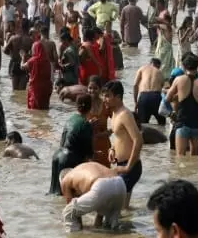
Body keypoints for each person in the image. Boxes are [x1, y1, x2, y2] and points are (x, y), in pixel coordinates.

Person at [102, 80, 143, 208]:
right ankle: (127, 226)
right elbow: (119, 136)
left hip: (130, 166)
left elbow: (138, 140)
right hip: (121, 165)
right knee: (122, 208)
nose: (104, 99)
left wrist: (128, 167)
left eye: (108, 95)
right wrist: (112, 149)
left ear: (118, 97)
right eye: (104, 95)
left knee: (113, 205)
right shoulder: (115, 113)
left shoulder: (125, 114)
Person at [166, 52, 198, 156]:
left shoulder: (178, 80)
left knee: (180, 157)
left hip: (182, 123)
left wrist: (176, 100)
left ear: (184, 66)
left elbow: (167, 99)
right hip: (196, 125)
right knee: (195, 156)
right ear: (197, 67)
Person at [60, 162, 127, 233]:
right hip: (120, 183)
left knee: (68, 213)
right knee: (110, 225)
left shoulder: (65, 180)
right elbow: (100, 207)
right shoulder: (83, 169)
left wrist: (81, 229)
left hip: (101, 185)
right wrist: (96, 227)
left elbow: (73, 211)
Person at [49, 94, 94, 195]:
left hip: (57, 156)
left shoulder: (71, 119)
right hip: (69, 160)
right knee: (68, 195)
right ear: (91, 107)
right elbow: (89, 154)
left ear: (76, 106)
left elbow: (64, 139)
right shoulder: (85, 124)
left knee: (54, 192)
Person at [21, 40, 53, 110]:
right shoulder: (47, 61)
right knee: (45, 107)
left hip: (36, 88)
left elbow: (22, 67)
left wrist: (23, 57)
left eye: (33, 49)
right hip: (47, 88)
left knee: (34, 109)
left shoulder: (33, 60)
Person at [133, 58, 166, 125]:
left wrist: (136, 102)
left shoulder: (142, 69)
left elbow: (135, 85)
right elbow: (164, 87)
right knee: (162, 124)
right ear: (158, 66)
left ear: (150, 63)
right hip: (156, 97)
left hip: (144, 97)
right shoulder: (160, 72)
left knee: (142, 125)